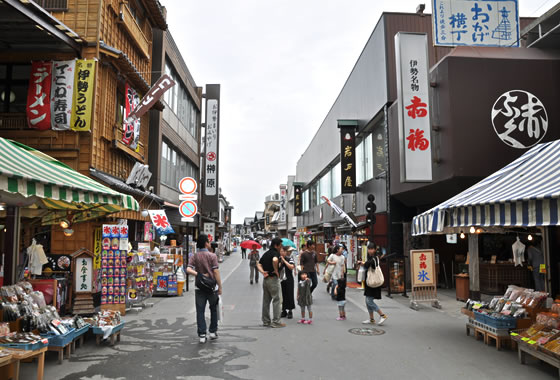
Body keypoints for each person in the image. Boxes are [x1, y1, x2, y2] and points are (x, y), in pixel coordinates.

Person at [186, 235, 223, 343]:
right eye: (209, 241)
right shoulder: (212, 256)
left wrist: (199, 274)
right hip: (211, 287)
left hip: (199, 287)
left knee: (200, 311)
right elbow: (216, 272)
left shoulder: (195, 256)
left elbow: (188, 269)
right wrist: (220, 286)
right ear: (206, 243)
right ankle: (212, 332)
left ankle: (202, 335)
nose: (210, 243)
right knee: (213, 309)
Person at [256, 237, 285, 328]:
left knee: (266, 301)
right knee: (277, 300)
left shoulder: (266, 253)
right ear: (276, 245)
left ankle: (266, 321)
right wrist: (276, 270)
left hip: (266, 279)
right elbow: (275, 260)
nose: (281, 247)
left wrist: (262, 272)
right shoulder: (275, 253)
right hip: (273, 279)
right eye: (280, 245)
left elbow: (259, 264)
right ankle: (276, 322)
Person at [358, 242, 388, 325]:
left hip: (373, 282)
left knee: (369, 301)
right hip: (369, 282)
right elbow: (368, 265)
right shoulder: (371, 257)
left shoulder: (374, 258)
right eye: (369, 249)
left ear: (375, 249)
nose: (370, 250)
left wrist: (363, 263)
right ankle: (371, 319)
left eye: (371, 249)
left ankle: (382, 315)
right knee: (367, 301)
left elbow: (372, 265)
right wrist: (363, 263)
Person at [280, 246, 296, 319]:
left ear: (286, 252)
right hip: (281, 280)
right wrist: (281, 262)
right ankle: (283, 310)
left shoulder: (290, 259)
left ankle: (290, 311)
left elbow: (291, 267)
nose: (281, 252)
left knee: (289, 294)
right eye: (280, 251)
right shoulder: (278, 259)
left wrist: (284, 260)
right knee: (282, 295)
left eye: (283, 251)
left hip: (289, 279)